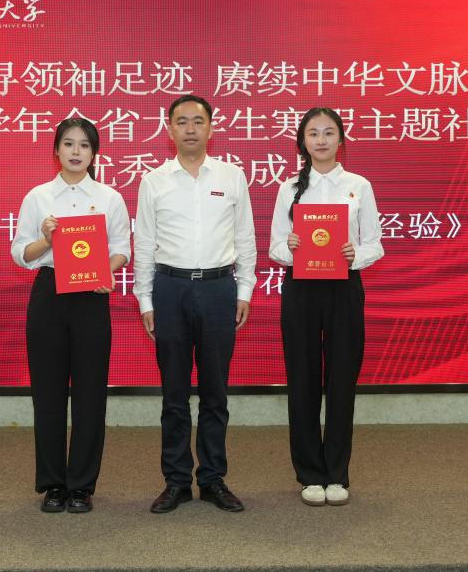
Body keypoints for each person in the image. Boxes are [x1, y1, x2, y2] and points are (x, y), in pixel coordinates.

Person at [134, 94, 257, 513]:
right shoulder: (154, 181)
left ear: (211, 128)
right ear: (169, 129)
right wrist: (145, 298)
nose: (190, 128)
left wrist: (244, 291)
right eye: (182, 121)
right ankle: (176, 482)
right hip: (170, 288)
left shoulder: (232, 176)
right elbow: (144, 243)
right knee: (174, 394)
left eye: (198, 121)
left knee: (214, 392)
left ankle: (213, 479)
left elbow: (245, 238)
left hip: (219, 288)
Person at [11, 117, 131, 514]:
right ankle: (52, 484)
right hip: (49, 294)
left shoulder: (110, 198)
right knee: (47, 393)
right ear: (56, 150)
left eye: (84, 145)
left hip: (91, 297)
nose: (76, 151)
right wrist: (46, 239)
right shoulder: (38, 197)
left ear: (94, 153)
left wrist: (105, 273)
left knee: (90, 394)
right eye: (68, 143)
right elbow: (21, 254)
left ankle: (81, 485)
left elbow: (121, 249)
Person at [268, 107, 384, 507]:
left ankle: (337, 472)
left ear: (341, 140)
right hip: (301, 288)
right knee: (302, 379)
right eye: (313, 133)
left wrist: (355, 255)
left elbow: (375, 243)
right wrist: (291, 247)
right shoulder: (289, 188)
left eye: (329, 132)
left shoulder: (358, 186)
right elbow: (275, 245)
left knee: (341, 380)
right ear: (302, 141)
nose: (321, 140)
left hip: (343, 288)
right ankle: (309, 473)